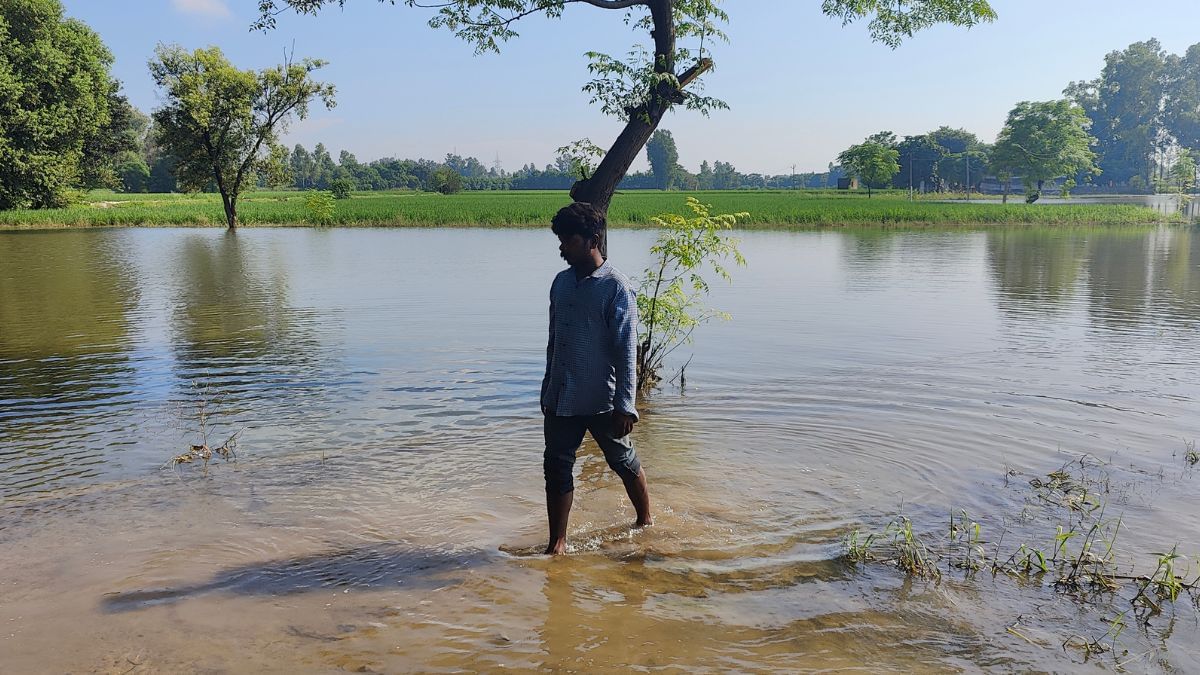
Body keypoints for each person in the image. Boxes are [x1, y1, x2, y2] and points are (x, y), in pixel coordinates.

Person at [540, 202, 652, 555]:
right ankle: (557, 543)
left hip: (602, 400)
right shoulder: (561, 284)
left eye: (568, 241)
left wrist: (626, 406)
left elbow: (626, 350)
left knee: (623, 461)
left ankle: (645, 520)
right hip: (561, 397)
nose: (561, 248)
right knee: (556, 467)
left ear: (593, 239)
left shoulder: (616, 288)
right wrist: (547, 389)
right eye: (560, 240)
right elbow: (554, 340)